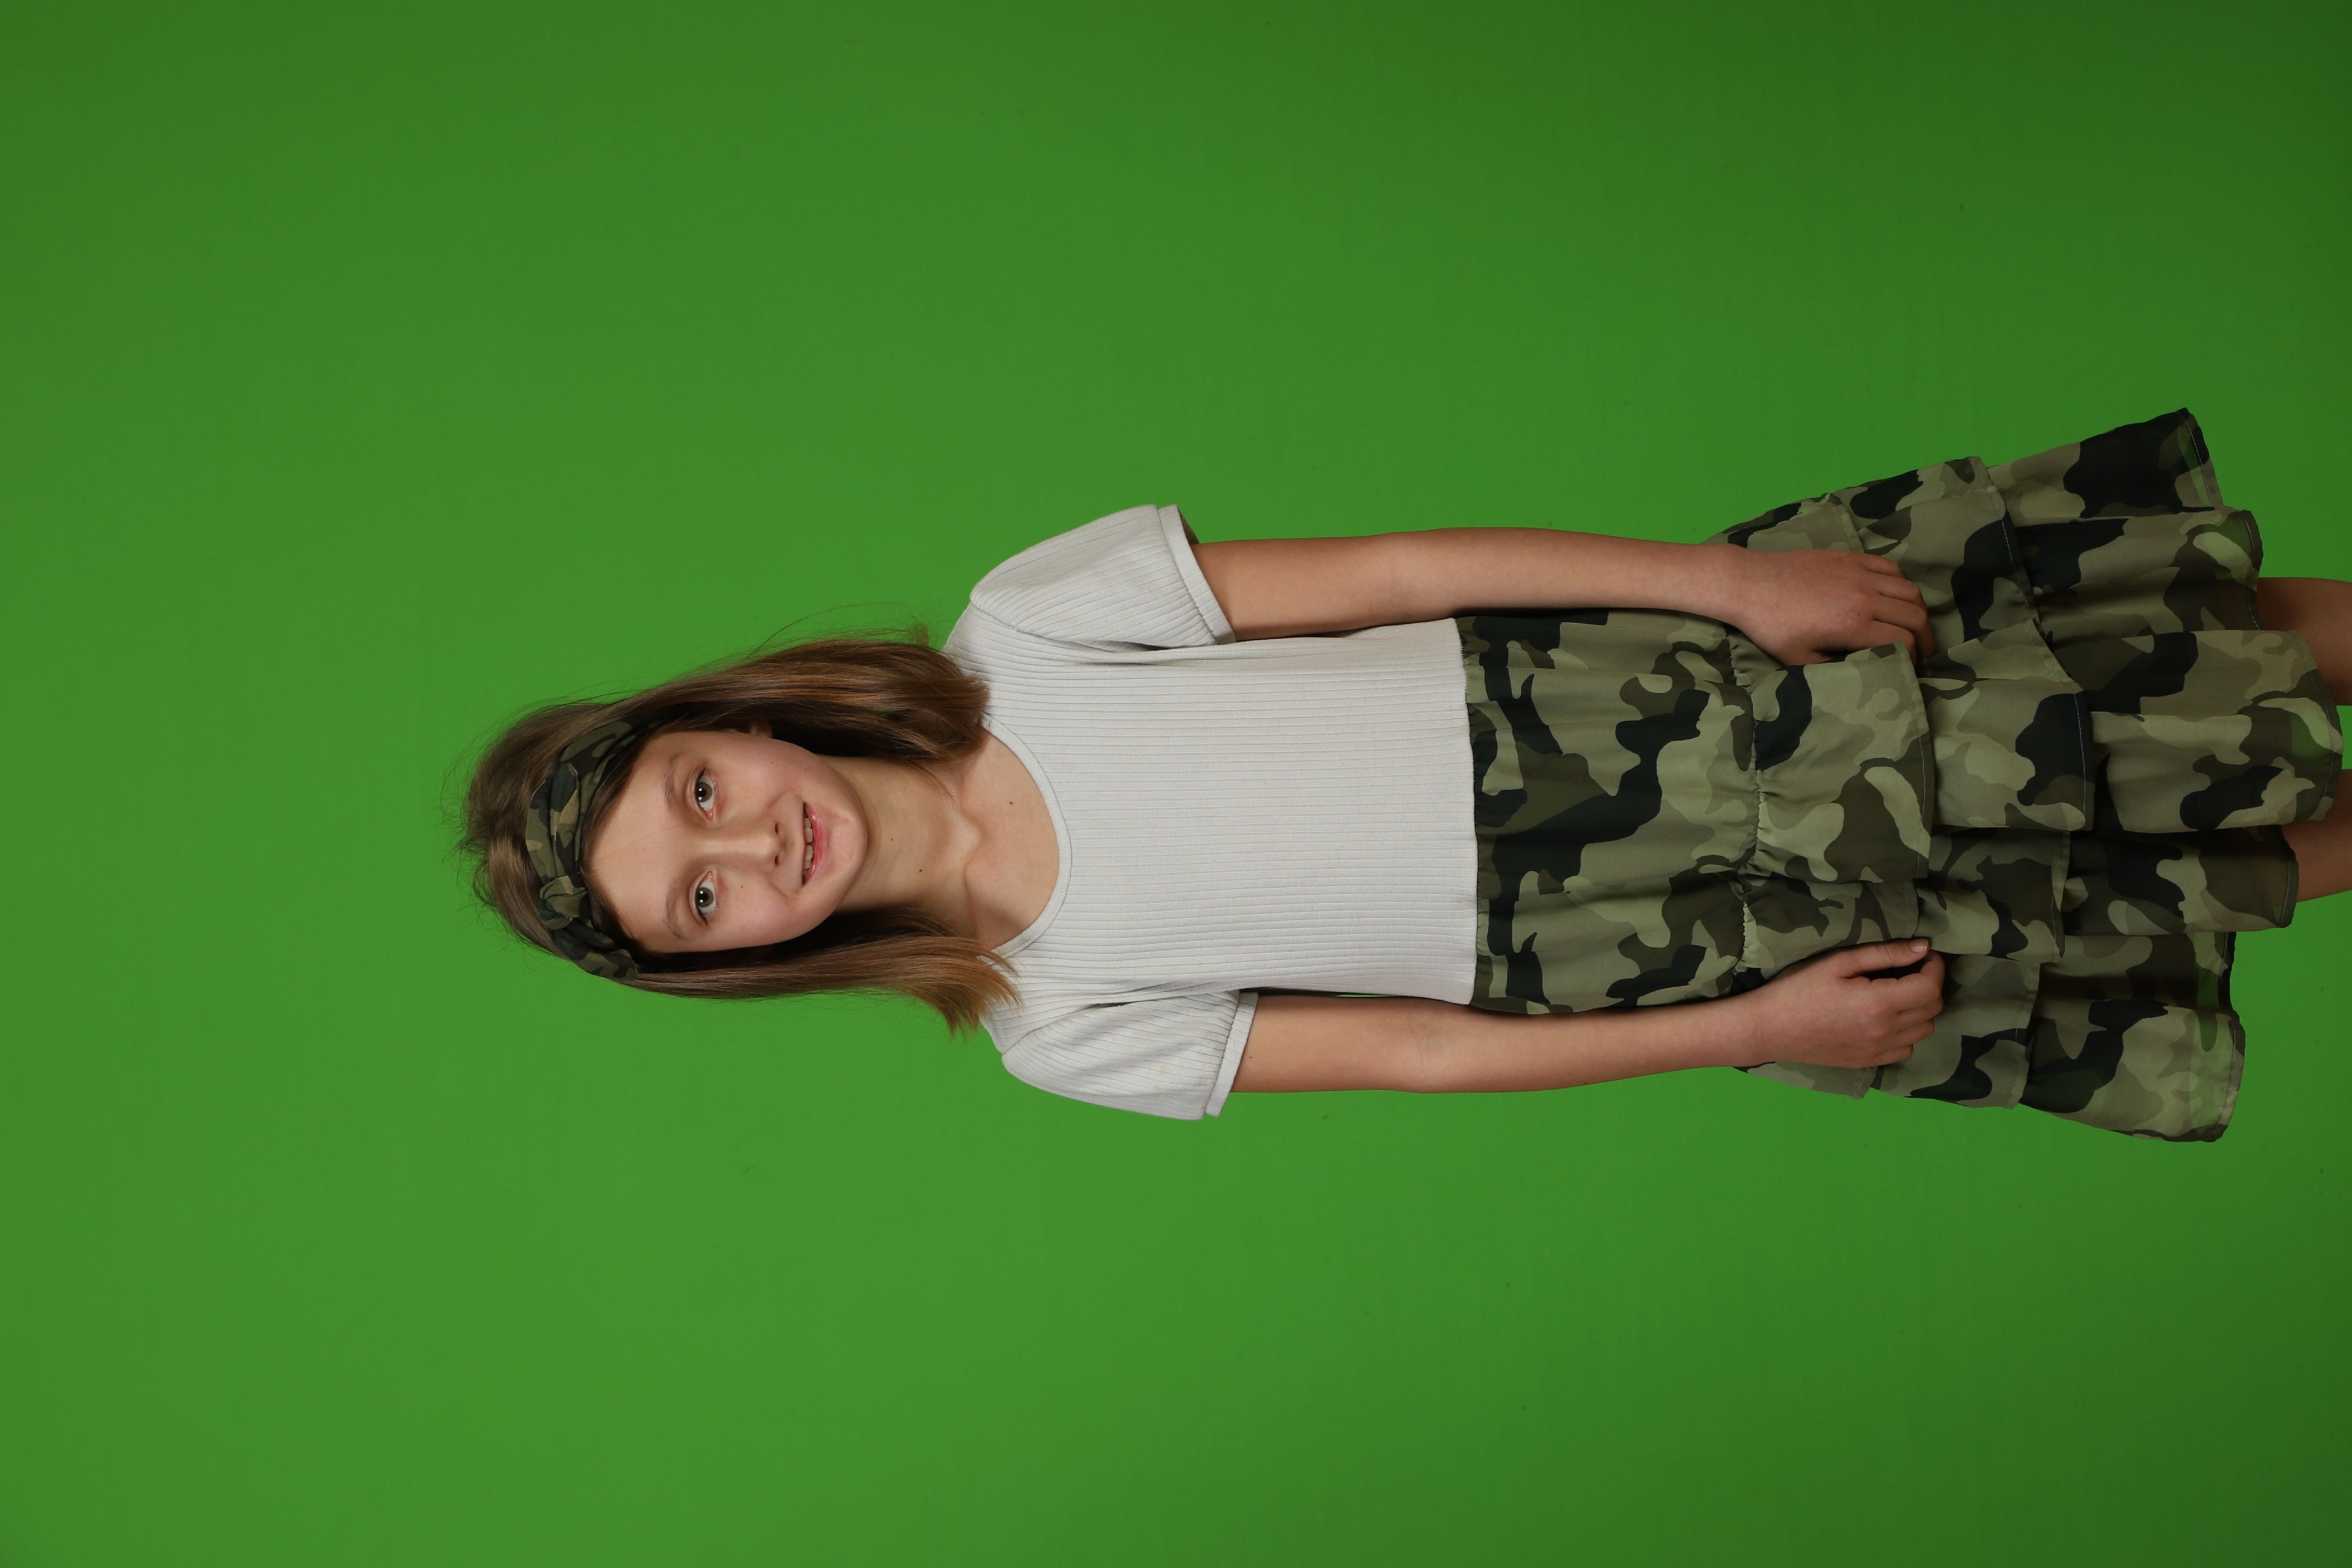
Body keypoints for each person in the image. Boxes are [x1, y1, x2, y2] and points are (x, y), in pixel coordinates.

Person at [460, 410, 2348, 1140]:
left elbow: (1398, 573)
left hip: (1630, 687)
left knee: (2135, 653)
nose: (751, 846)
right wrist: (1754, 1025)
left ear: (735, 723)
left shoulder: (1022, 629)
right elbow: (1418, 1054)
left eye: (698, 792)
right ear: (735, 960)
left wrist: (1726, 585)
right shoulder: (1054, 1024)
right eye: (699, 900)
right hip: (1647, 932)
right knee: (2112, 873)